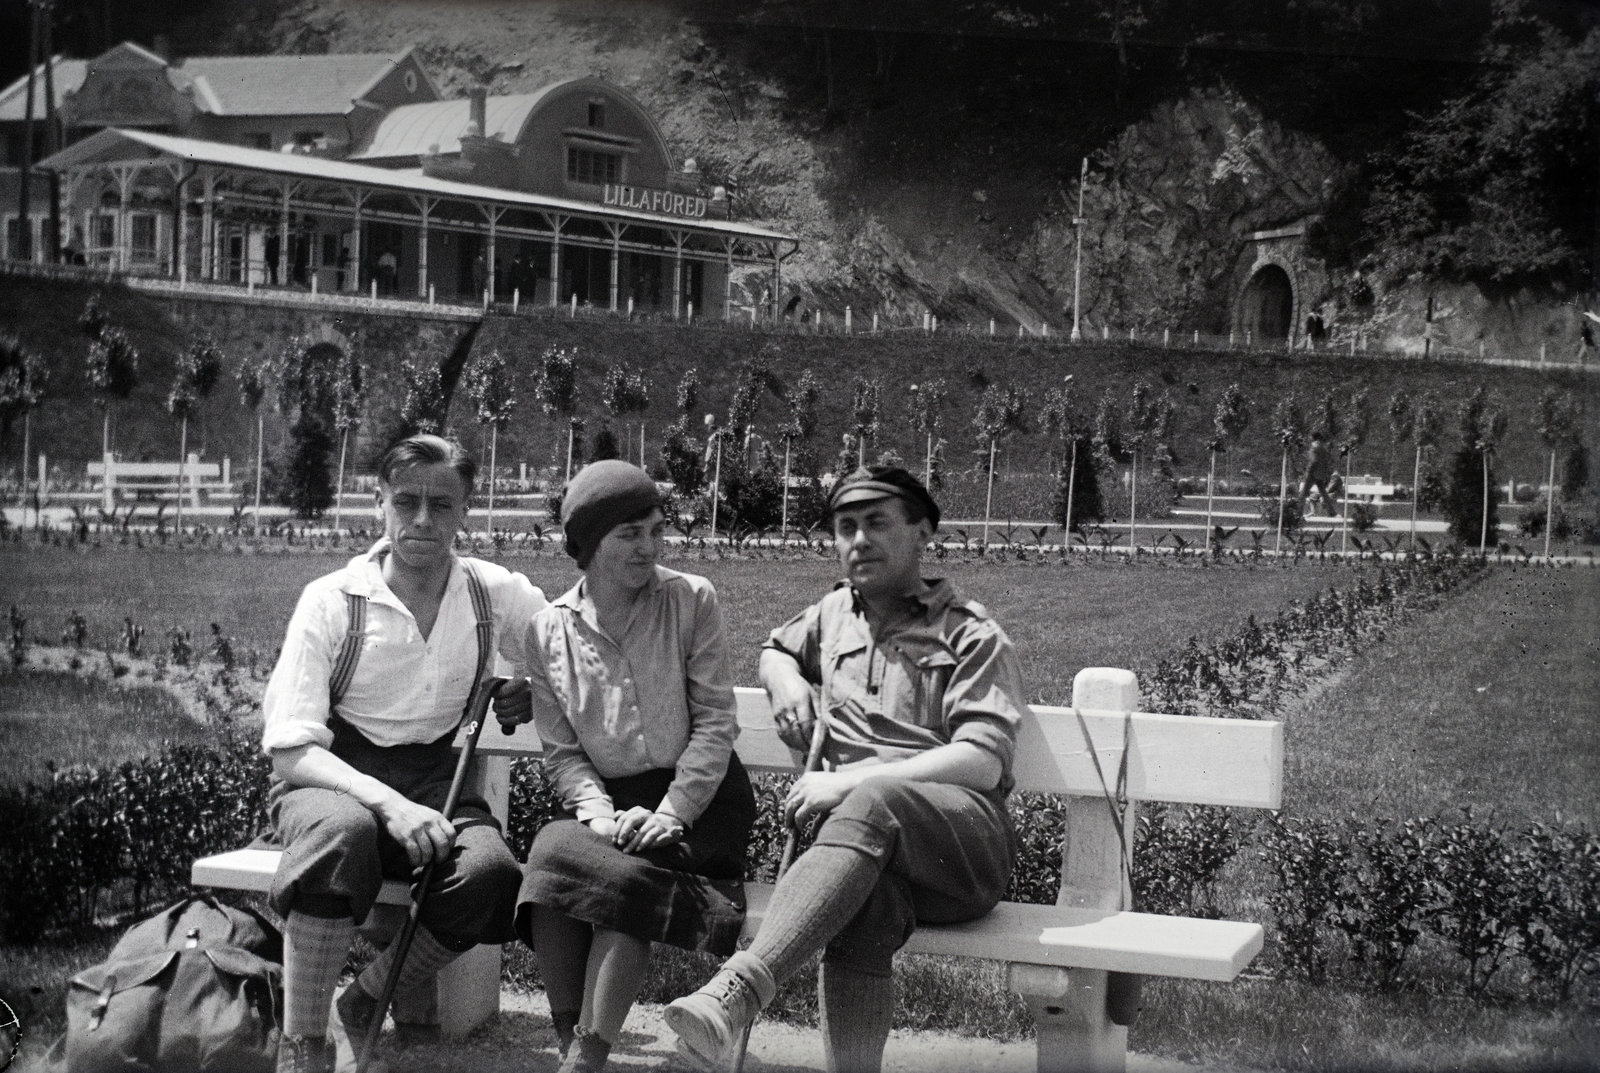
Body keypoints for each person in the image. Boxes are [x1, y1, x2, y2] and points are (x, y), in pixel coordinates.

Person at [665, 465, 1028, 1073]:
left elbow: (983, 761)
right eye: (845, 527)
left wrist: (849, 781)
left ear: (922, 533)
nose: (858, 540)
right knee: (864, 909)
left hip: (960, 852)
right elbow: (777, 647)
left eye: (877, 523)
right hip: (867, 856)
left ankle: (738, 988)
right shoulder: (833, 614)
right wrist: (783, 680)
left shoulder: (969, 632)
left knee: (874, 798)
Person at [261, 434, 547, 1073]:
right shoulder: (334, 600)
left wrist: (527, 682)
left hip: (434, 779)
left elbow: (566, 647)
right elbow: (290, 749)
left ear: (466, 509)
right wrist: (387, 804)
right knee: (343, 832)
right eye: (407, 501)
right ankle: (303, 1043)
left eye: (441, 505)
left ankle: (361, 1001)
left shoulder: (490, 591)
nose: (422, 520)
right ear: (380, 503)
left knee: (489, 875)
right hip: (330, 780)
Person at [510, 460, 755, 1073]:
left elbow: (717, 723)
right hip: (609, 807)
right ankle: (574, 1046)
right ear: (587, 545)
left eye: (655, 530)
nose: (649, 547)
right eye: (629, 534)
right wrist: (596, 815)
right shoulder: (547, 632)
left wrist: (672, 812)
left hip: (700, 801)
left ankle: (588, 1057)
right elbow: (563, 753)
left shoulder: (690, 599)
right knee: (549, 860)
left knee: (625, 877)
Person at [1299, 433, 1338, 516]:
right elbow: (1326, 461)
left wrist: (1308, 470)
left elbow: (1314, 461)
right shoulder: (1323, 449)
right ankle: (1332, 512)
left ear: (1312, 438)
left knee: (1303, 493)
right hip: (1320, 474)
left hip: (1312, 474)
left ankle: (1298, 512)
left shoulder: (1314, 448)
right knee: (1324, 493)